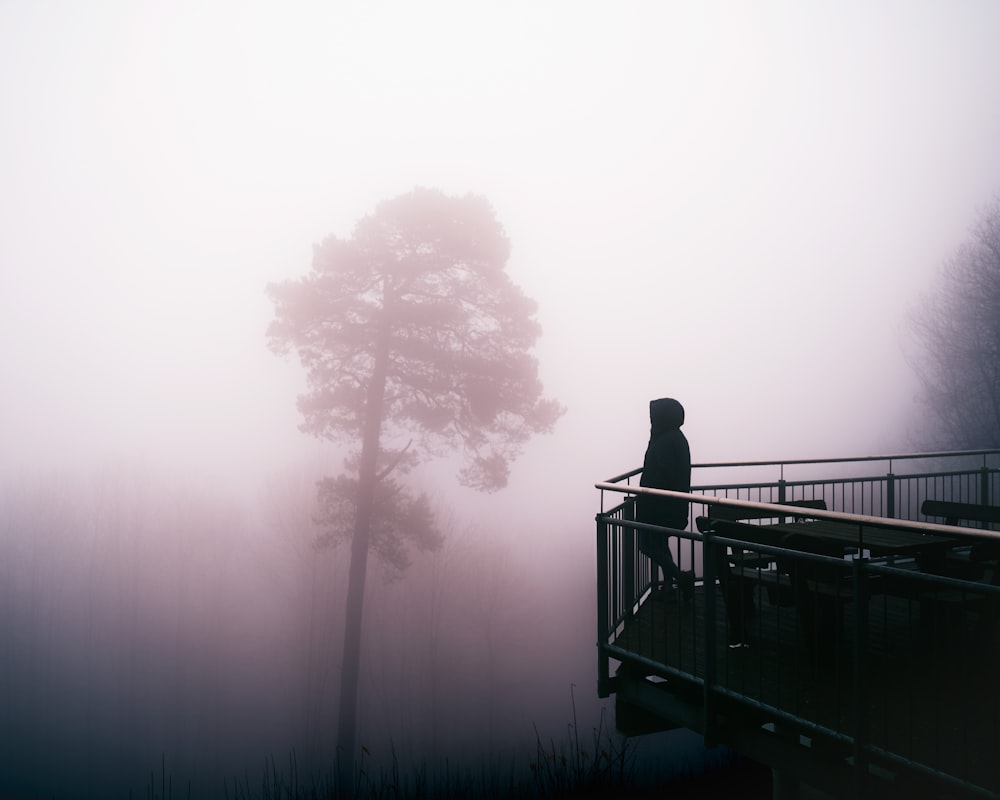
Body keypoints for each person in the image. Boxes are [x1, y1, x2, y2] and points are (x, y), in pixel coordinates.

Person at [635, 397, 695, 600]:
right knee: (660, 544)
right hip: (670, 505)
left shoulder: (665, 440)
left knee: (647, 545)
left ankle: (680, 578)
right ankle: (669, 586)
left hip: (658, 506)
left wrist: (647, 494)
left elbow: (662, 474)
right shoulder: (675, 437)